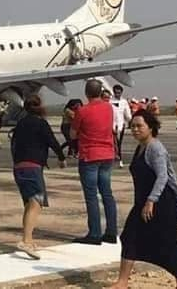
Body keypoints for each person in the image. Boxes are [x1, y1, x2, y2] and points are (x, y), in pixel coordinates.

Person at [108, 110, 177, 289]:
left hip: (161, 203)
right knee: (130, 236)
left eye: (139, 126)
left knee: (169, 242)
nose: (135, 129)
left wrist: (151, 201)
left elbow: (162, 177)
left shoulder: (155, 148)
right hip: (143, 202)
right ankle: (122, 281)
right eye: (132, 126)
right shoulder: (140, 146)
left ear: (150, 127)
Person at [11, 95, 66, 260]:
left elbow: (14, 145)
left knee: (29, 204)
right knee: (36, 203)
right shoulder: (40, 123)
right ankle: (26, 241)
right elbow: (52, 141)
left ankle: (29, 239)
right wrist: (61, 157)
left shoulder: (20, 124)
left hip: (19, 167)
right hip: (32, 167)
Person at [71, 79, 118, 245]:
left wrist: (74, 118)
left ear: (86, 93)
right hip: (107, 154)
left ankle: (95, 233)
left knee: (91, 195)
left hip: (90, 155)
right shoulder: (109, 108)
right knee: (107, 193)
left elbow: (73, 135)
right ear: (100, 92)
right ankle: (112, 232)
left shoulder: (82, 111)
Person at [112, 84, 132, 169]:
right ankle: (116, 159)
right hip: (111, 126)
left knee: (118, 144)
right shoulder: (110, 101)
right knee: (113, 144)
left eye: (119, 93)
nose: (117, 94)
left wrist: (129, 121)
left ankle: (119, 160)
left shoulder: (124, 102)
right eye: (116, 93)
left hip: (121, 126)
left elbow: (128, 115)